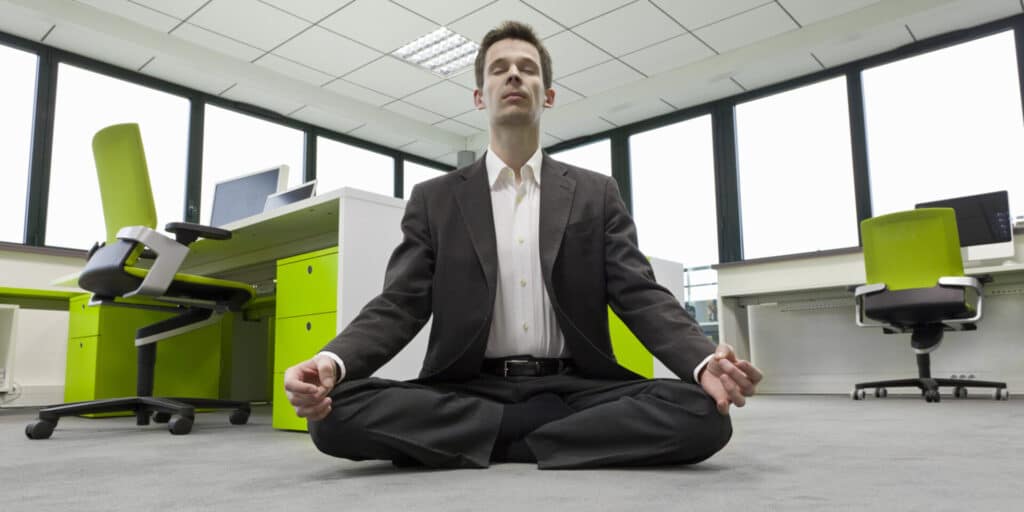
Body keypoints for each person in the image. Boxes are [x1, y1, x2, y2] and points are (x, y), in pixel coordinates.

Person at [283, 20, 762, 469]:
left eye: (527, 69)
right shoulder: (435, 199)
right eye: (499, 69)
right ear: (480, 96)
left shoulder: (596, 193)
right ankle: (548, 439)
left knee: (704, 413)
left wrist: (701, 362)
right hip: (468, 388)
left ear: (547, 95)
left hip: (576, 387)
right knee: (333, 414)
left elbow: (640, 294)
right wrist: (330, 362)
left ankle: (490, 441)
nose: (513, 74)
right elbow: (399, 304)